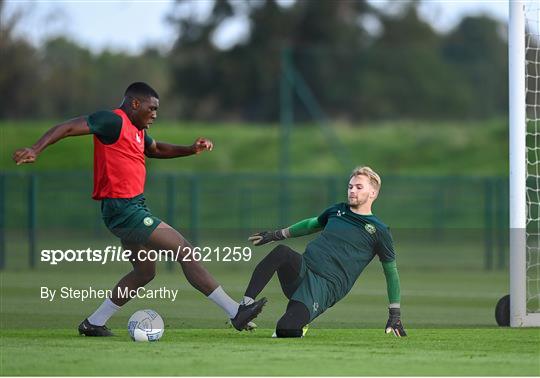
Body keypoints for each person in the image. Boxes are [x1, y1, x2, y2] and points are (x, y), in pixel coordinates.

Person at [12, 82, 266, 336]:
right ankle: (236, 312)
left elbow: (155, 150)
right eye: (151, 108)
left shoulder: (138, 131)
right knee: (185, 250)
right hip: (124, 210)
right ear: (135, 103)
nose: (155, 114)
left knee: (144, 272)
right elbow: (67, 127)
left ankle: (94, 323)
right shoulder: (112, 121)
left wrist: (190, 149)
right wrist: (36, 148)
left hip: (131, 208)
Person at [244, 166, 406, 338]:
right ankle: (245, 307)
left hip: (324, 287)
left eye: (359, 187)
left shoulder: (379, 231)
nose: (352, 191)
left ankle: (301, 321)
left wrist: (394, 313)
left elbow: (391, 272)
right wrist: (275, 235)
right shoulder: (337, 210)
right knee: (282, 252)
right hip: (303, 270)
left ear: (373, 193)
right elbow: (310, 225)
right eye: (350, 186)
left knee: (285, 329)